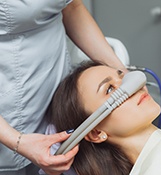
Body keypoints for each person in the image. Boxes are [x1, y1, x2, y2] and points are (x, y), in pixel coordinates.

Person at [0, 1, 125, 175]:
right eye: (109, 89)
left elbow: (72, 7)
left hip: (53, 92)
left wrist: (123, 74)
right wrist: (16, 141)